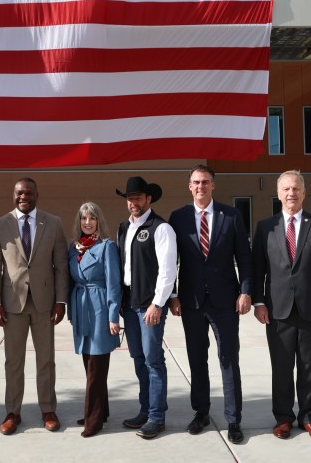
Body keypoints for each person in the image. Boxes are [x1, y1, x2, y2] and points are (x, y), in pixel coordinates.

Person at [253, 170, 311, 441]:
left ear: (304, 193)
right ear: (278, 194)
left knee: (310, 368)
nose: (291, 193)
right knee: (281, 368)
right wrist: (259, 302)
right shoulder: (265, 227)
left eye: (296, 188)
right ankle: (283, 418)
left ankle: (309, 418)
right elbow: (257, 270)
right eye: (286, 189)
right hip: (277, 310)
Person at [168, 165, 252, 444]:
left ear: (213, 185)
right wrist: (173, 295)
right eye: (196, 182)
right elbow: (171, 260)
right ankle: (201, 412)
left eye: (205, 182)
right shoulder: (178, 218)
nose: (200, 186)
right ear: (189, 186)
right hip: (191, 301)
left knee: (228, 358)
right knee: (196, 359)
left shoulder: (232, 215)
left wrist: (245, 292)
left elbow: (244, 257)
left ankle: (233, 419)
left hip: (225, 301)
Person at [0, 177, 69, 435]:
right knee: (13, 361)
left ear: (36, 195)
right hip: (12, 305)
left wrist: (61, 300)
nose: (23, 197)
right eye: (19, 193)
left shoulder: (53, 223)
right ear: (13, 195)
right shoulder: (0, 225)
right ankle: (13, 412)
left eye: (28, 193)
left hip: (45, 304)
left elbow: (61, 266)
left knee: (46, 360)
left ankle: (48, 409)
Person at [116, 176, 176, 440]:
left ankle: (156, 417)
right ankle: (145, 410)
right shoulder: (123, 228)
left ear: (148, 199)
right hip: (129, 304)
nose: (133, 203)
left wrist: (157, 303)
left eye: (138, 198)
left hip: (149, 305)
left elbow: (168, 270)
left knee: (153, 360)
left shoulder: (161, 228)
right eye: (130, 198)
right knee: (139, 359)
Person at [67, 202, 121, 438]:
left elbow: (113, 283)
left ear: (99, 221)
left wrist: (113, 316)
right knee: (89, 362)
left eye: (92, 218)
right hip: (81, 308)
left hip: (99, 309)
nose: (87, 222)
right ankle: (102, 411)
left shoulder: (106, 246)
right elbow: (71, 281)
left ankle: (93, 419)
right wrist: (71, 312)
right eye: (83, 218)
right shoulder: (74, 248)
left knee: (96, 368)